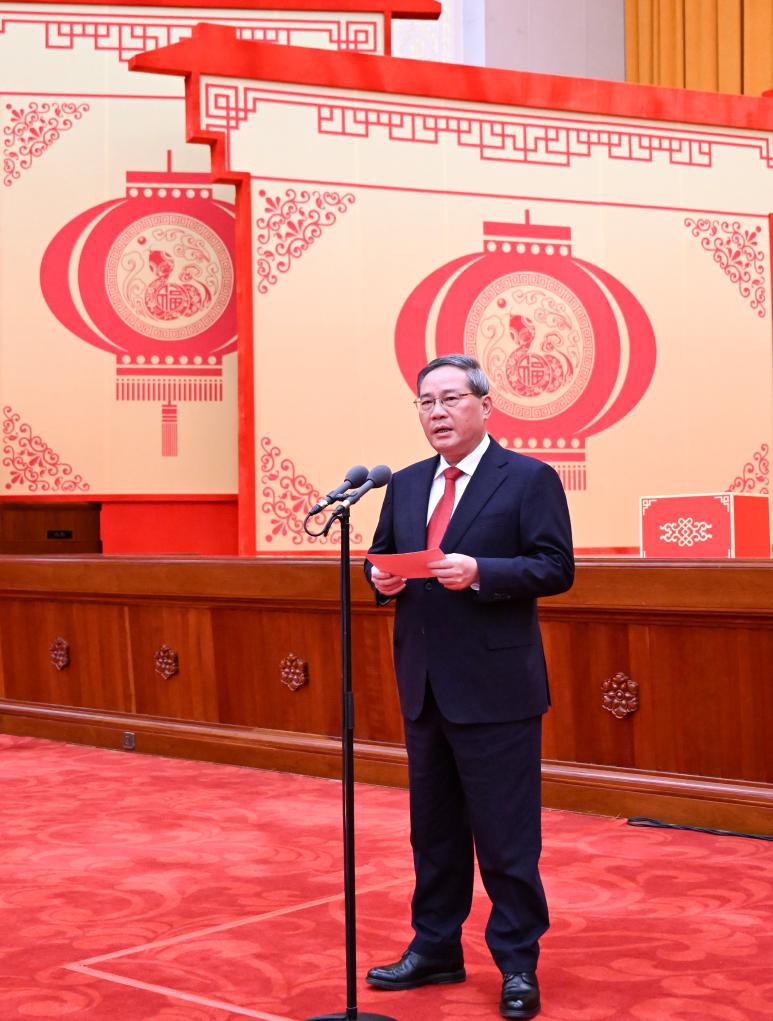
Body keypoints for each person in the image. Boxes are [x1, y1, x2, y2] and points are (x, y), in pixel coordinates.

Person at [364, 354, 574, 1019]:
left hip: (497, 688)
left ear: (486, 405)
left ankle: (516, 962)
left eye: (450, 399)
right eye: (425, 402)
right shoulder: (402, 484)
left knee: (506, 837)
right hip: (424, 685)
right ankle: (434, 946)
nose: (436, 413)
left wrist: (481, 569)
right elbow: (379, 555)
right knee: (433, 833)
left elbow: (554, 566)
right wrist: (380, 580)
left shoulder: (528, 479)